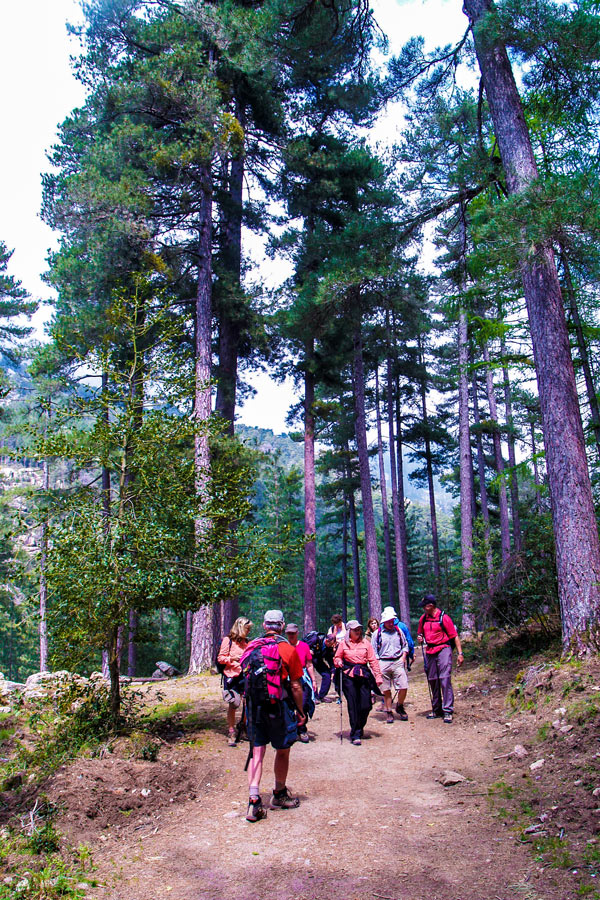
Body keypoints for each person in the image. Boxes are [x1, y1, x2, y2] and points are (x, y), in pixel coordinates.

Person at [242, 610, 306, 822]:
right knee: (283, 750)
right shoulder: (287, 649)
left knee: (257, 752)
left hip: (255, 708)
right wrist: (300, 710)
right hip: (278, 707)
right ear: (282, 625)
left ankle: (253, 800)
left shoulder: (252, 648)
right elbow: (296, 685)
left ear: (264, 625)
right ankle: (278, 794)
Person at [334, 620, 383, 745]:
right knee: (353, 704)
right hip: (348, 676)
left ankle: (359, 726)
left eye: (359, 629)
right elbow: (337, 657)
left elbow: (372, 660)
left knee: (366, 705)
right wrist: (338, 661)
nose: (358, 631)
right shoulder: (343, 644)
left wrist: (378, 676)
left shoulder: (366, 643)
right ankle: (355, 732)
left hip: (363, 674)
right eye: (355, 629)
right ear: (349, 631)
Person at [417, 594, 464, 724]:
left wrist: (460, 653)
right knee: (432, 679)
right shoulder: (423, 619)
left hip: (443, 648)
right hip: (430, 650)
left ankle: (447, 710)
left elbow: (454, 636)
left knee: (444, 678)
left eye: (424, 607)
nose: (423, 609)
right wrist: (420, 638)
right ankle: (437, 709)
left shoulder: (444, 618)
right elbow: (420, 633)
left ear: (430, 606)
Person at [217, 616, 252, 746]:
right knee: (234, 704)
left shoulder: (247, 642)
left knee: (247, 703)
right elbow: (221, 658)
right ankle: (231, 731)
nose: (248, 631)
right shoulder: (228, 640)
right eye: (247, 628)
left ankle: (243, 727)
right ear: (241, 628)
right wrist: (233, 660)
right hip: (232, 676)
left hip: (245, 676)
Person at [371, 606, 409, 723]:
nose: (391, 623)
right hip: (383, 662)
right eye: (388, 621)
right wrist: (376, 666)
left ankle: (400, 706)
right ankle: (388, 711)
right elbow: (373, 651)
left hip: (397, 661)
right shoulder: (377, 634)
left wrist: (403, 657)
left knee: (403, 686)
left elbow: (405, 645)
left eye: (392, 621)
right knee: (386, 689)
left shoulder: (399, 631)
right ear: (384, 622)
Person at [284, 623, 316, 742]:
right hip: (286, 676)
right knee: (288, 704)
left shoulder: (304, 646)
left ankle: (302, 729)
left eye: (293, 633)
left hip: (302, 676)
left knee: (303, 704)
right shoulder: (283, 646)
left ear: (297, 633)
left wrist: (313, 680)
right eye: (289, 633)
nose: (291, 635)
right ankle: (291, 730)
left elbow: (309, 664)